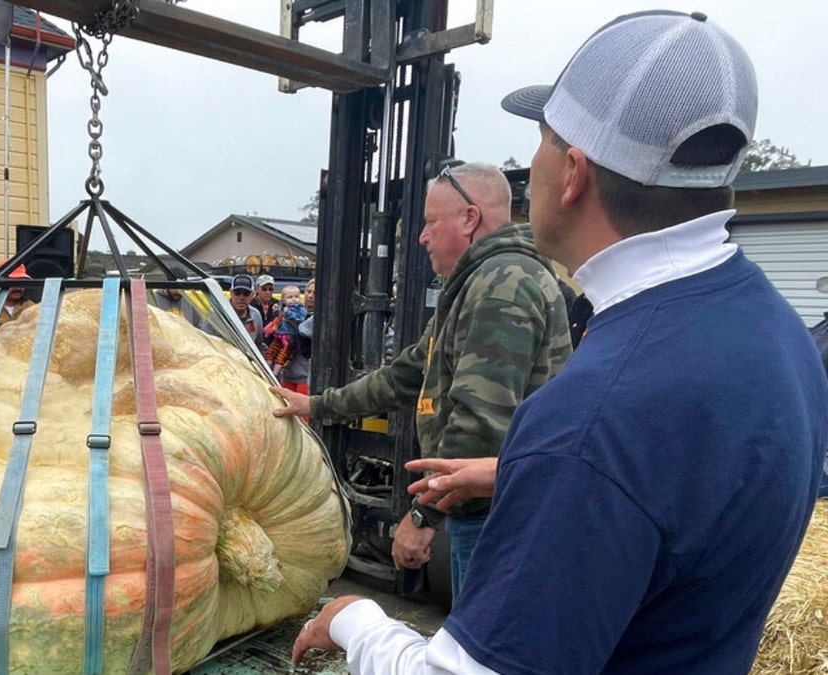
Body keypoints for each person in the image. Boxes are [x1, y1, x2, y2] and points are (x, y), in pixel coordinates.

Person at [294, 11, 828, 674]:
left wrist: (358, 621)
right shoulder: (778, 335)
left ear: (573, 172)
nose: (530, 171)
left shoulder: (592, 418)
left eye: (542, 140)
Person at [275, 162, 571, 597]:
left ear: (470, 219)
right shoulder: (477, 283)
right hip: (483, 509)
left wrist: (421, 519)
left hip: (499, 514)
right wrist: (318, 405)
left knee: (482, 651)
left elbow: (479, 423)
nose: (422, 236)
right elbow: (408, 373)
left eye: (431, 222)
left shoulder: (501, 284)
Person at [202, 273, 264, 348]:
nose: (241, 297)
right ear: (231, 293)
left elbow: (259, 345)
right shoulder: (215, 314)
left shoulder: (256, 315)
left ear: (252, 295)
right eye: (237, 292)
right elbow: (205, 344)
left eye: (246, 293)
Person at [263, 284, 308, 376]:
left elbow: (301, 320)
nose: (294, 299)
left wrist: (289, 313)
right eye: (290, 297)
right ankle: (266, 369)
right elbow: (278, 317)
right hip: (280, 334)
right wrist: (276, 311)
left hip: (290, 337)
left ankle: (274, 374)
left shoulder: (300, 309)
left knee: (282, 356)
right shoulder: (283, 307)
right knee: (271, 351)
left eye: (296, 296)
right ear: (283, 299)